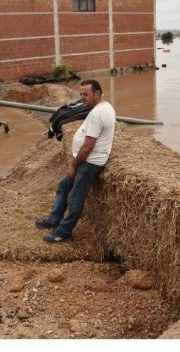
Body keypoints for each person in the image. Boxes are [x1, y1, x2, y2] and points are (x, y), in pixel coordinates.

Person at [36, 79, 116, 243]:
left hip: (90, 163)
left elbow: (87, 146)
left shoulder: (98, 113)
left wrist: (73, 165)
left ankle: (63, 232)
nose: (82, 98)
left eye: (86, 94)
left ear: (97, 94)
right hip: (87, 160)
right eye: (80, 94)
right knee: (63, 186)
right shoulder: (102, 107)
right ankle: (54, 220)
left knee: (75, 198)